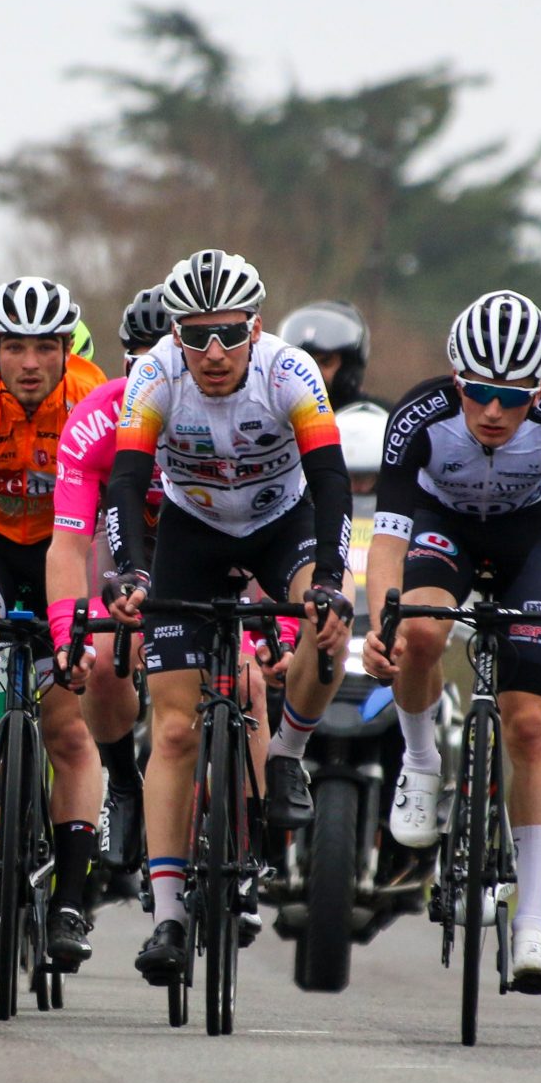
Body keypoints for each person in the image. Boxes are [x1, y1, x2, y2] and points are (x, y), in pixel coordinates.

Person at [101, 250, 353, 986]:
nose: (214, 352)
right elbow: (126, 481)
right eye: (196, 334)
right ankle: (168, 916)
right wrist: (132, 571)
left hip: (282, 523)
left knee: (327, 625)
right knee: (175, 729)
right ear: (175, 334)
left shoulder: (291, 373)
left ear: (257, 328)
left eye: (230, 333)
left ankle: (286, 754)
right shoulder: (155, 375)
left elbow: (332, 480)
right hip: (194, 531)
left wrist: (329, 582)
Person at [362, 289, 541, 994]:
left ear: (539, 390)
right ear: (455, 379)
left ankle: (531, 921)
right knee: (419, 629)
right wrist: (381, 621)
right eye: (479, 392)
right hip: (444, 530)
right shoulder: (418, 416)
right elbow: (388, 541)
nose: (494, 410)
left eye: (513, 396)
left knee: (529, 724)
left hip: (533, 541)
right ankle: (420, 762)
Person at [0, 276, 107, 970]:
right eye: (15, 347)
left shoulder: (91, 394)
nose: (29, 363)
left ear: (65, 349)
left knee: (69, 729)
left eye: (45, 347)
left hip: (61, 550)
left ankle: (71, 899)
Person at [46, 285, 174, 945]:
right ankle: (123, 779)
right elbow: (71, 541)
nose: (151, 376)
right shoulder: (101, 415)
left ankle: (242, 829)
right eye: (137, 362)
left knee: (239, 670)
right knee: (100, 661)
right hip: (121, 554)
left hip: (200, 549)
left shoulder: (230, 411)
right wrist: (70, 632)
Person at [276, 300, 371, 408]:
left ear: (348, 369)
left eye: (326, 362)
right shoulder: (269, 412)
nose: (310, 373)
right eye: (300, 364)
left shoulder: (372, 416)